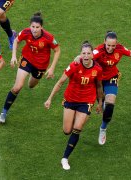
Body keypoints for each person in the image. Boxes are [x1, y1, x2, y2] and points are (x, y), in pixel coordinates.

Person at [87, 31, 131, 145]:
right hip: (97, 80)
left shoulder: (120, 49)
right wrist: (78, 60)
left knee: (110, 105)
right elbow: (86, 57)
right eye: (108, 45)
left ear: (116, 43)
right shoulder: (98, 51)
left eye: (113, 45)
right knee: (101, 102)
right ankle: (102, 103)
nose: (110, 48)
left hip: (111, 78)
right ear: (104, 42)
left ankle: (103, 129)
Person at [44, 41, 103, 170]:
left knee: (77, 128)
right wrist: (49, 99)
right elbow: (60, 82)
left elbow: (99, 86)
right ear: (80, 54)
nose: (86, 56)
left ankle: (65, 158)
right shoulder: (74, 65)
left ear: (92, 55)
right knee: (67, 131)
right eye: (83, 53)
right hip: (71, 100)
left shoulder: (97, 69)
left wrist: (100, 103)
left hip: (87, 101)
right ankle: (71, 128)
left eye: (88, 53)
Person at [0, 12, 61, 123]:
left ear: (41, 27)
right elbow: (17, 40)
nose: (34, 30)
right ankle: (3, 112)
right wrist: (13, 56)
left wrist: (52, 68)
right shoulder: (26, 32)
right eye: (32, 27)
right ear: (29, 26)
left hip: (41, 66)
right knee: (17, 87)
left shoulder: (48, 37)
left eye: (37, 27)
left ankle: (30, 76)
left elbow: (57, 50)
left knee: (31, 85)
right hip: (27, 59)